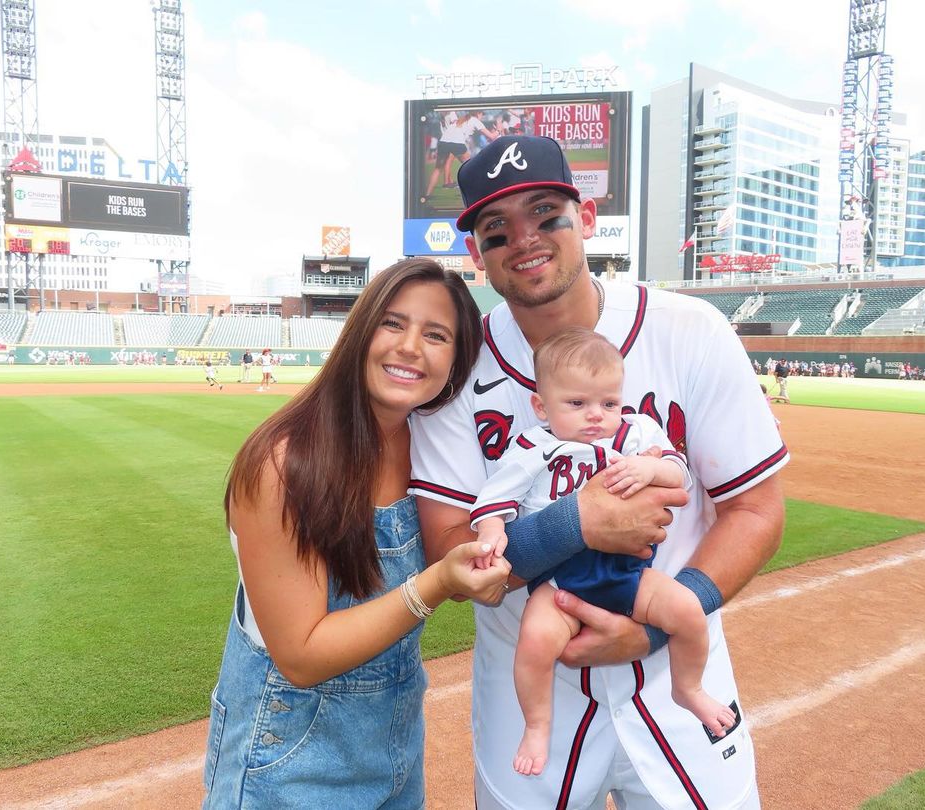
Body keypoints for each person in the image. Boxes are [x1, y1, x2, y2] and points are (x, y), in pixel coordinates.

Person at [408, 135, 787, 809]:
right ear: (475, 253)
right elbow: (448, 550)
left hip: (674, 680)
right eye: (497, 231)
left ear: (585, 218)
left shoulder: (689, 331)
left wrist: (661, 626)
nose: (523, 240)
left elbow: (755, 510)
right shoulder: (458, 367)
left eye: (546, 214)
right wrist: (575, 521)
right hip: (530, 694)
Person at [203, 259, 511, 808]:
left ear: (456, 362)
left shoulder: (430, 448)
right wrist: (435, 584)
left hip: (393, 742)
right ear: (361, 330)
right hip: (290, 757)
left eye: (436, 335)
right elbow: (301, 656)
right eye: (393, 323)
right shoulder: (284, 464)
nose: (411, 346)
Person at [471, 328, 736, 777]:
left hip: (628, 575)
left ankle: (687, 688)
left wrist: (651, 465)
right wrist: (493, 527)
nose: (596, 416)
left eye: (608, 403)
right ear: (542, 406)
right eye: (577, 404)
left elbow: (679, 478)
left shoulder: (635, 436)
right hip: (561, 581)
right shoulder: (534, 447)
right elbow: (496, 498)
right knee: (534, 643)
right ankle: (537, 726)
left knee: (689, 611)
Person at [425, 110, 499, 198]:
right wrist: (498, 130)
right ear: (478, 113)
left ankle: (427, 194)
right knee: (472, 168)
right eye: (482, 114)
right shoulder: (476, 121)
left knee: (437, 169)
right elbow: (492, 136)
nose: (482, 116)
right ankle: (477, 192)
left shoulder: (461, 119)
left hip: (443, 142)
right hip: (457, 143)